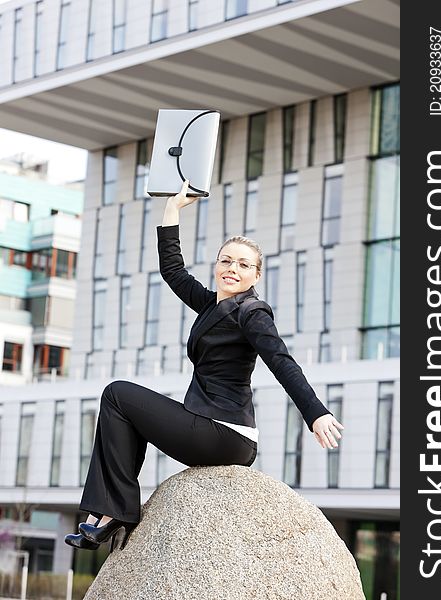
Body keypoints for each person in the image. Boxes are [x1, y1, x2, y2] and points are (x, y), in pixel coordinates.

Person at [64, 180, 344, 552]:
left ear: (256, 276)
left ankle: (114, 511)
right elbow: (173, 272)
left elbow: (281, 361)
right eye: (226, 260)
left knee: (117, 394)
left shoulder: (252, 312)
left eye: (243, 264)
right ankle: (111, 513)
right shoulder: (214, 305)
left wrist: (316, 413)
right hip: (212, 429)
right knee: (124, 410)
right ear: (217, 265)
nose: (232, 268)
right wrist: (172, 211)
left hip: (225, 433)